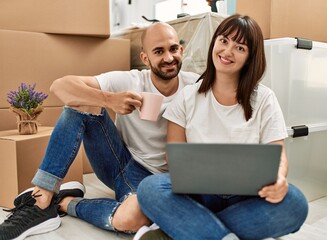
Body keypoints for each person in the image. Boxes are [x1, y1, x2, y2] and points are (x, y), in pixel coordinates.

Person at [0, 22, 199, 240]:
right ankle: (42, 198)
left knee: (132, 219)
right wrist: (109, 99)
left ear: (181, 50)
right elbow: (60, 86)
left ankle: (64, 203)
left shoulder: (197, 85)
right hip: (121, 163)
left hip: (162, 179)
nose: (169, 58)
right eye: (159, 52)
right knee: (79, 102)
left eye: (172, 49)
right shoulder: (130, 80)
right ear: (145, 58)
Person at [136, 14, 309, 240]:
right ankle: (217, 234)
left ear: (250, 57)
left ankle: (183, 231)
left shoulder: (265, 98)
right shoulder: (188, 97)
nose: (227, 51)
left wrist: (279, 178)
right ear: (214, 42)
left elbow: (279, 154)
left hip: (248, 195)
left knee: (295, 204)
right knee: (149, 189)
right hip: (198, 193)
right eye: (224, 41)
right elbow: (173, 156)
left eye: (240, 48)